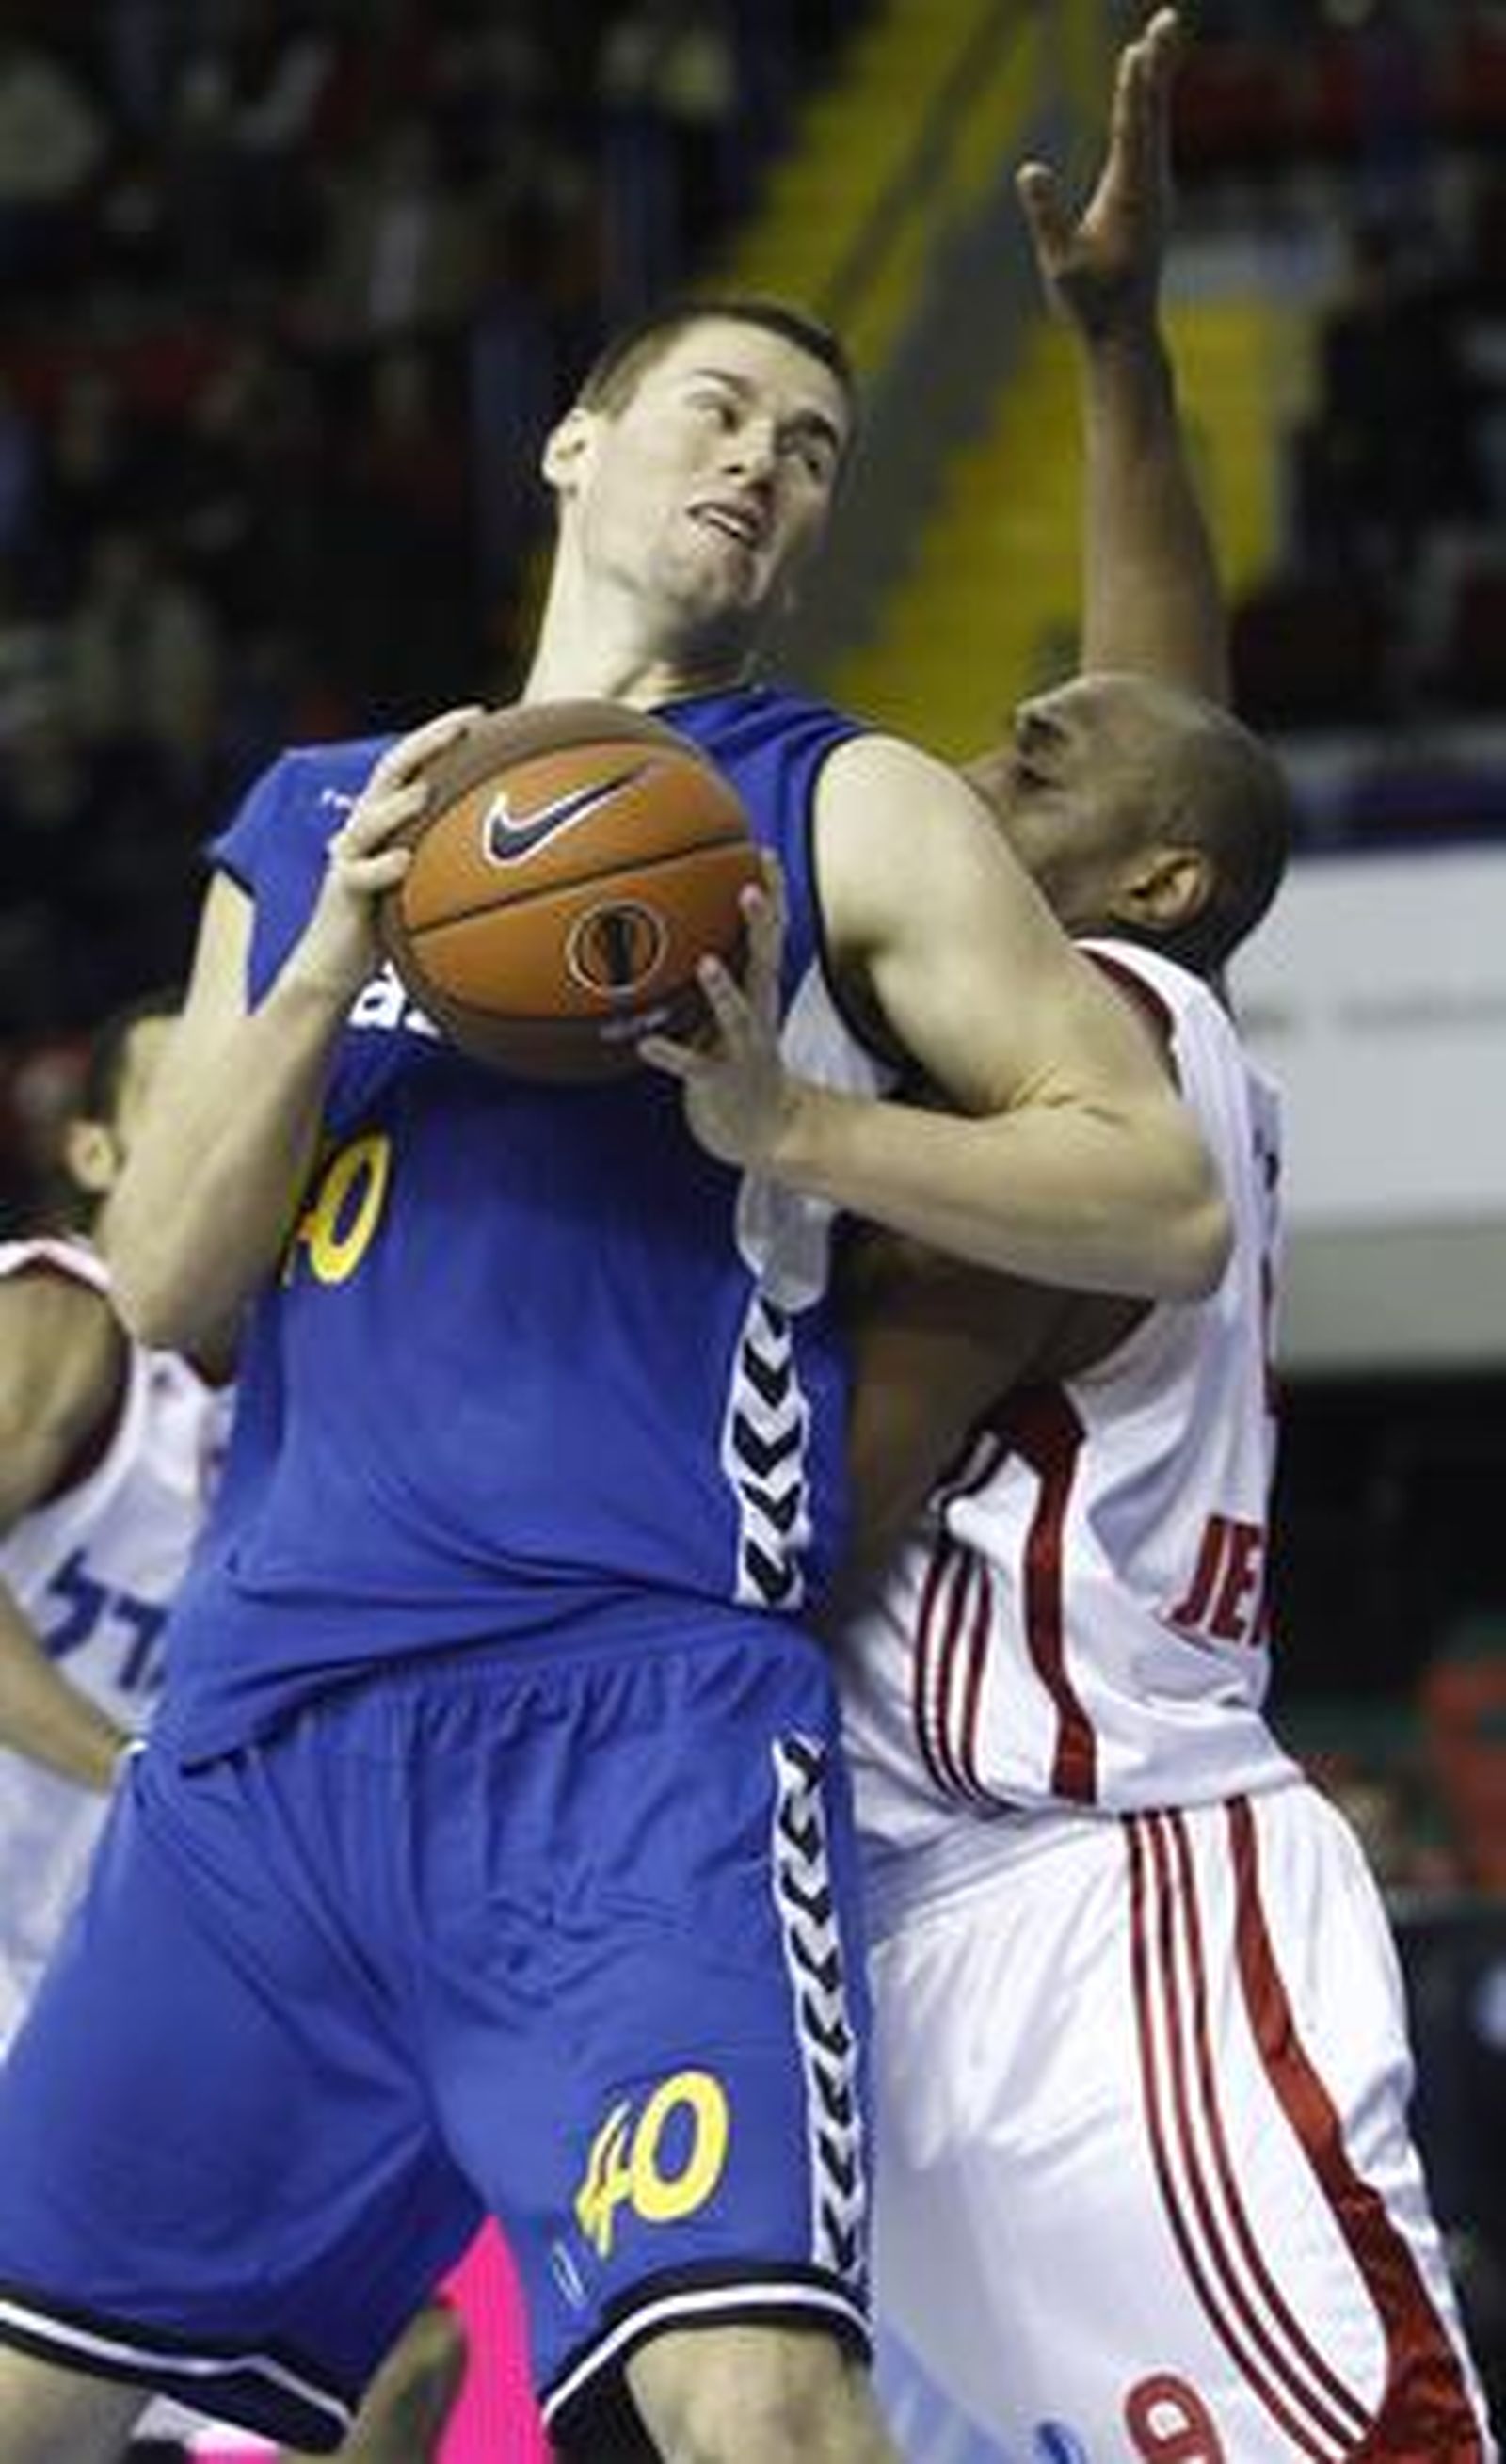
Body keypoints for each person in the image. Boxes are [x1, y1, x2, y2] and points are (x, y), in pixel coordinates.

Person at [0, 31, 1233, 2456]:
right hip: (265, 1740)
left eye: (812, 451)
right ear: (575, 445)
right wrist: (332, 954)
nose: (764, 463)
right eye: (719, 411)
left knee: (758, 2408)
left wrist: (793, 1123)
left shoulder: (841, 802)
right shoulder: (319, 813)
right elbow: (163, 1286)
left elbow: (1156, 1192)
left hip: (623, 1723)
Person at [836, 17, 1498, 2458]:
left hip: (1100, 1909)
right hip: (940, 1916)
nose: (976, 763)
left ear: (1148, 890)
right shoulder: (1117, 966)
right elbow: (1159, 724)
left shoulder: (1096, 1036)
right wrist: (1117, 353)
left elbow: (817, 1506)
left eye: (1032, 763)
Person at [0, 995, 472, 2464]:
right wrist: (138, 1773)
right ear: (97, 1153)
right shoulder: (64, 1312)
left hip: (96, 1972)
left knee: (399, 2358)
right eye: (191, 1090)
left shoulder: (324, 1392)